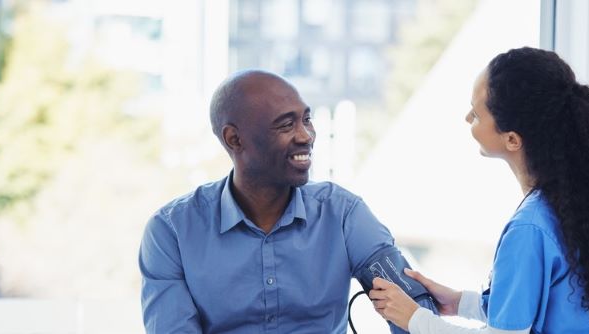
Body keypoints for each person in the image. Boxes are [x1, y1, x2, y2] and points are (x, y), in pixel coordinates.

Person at [369, 47, 589, 333]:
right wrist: (459, 302)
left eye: (477, 115)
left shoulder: (529, 228)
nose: (468, 119)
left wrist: (414, 318)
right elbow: (545, 305)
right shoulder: (578, 209)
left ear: (512, 140)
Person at [138, 70, 436, 333]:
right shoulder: (171, 232)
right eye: (285, 125)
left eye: (306, 119)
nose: (306, 136)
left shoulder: (344, 215)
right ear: (234, 139)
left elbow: (414, 309)